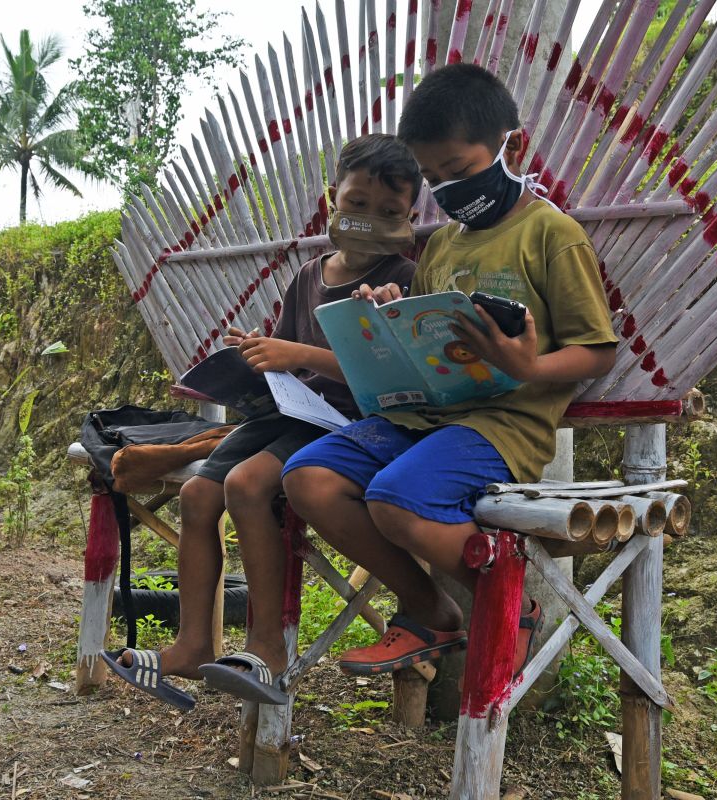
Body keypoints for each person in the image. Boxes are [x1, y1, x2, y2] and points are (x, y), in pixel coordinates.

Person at [200, 63, 618, 704]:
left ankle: (506, 602)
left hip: (503, 426)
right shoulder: (444, 245)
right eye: (437, 178)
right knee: (308, 478)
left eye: (458, 168)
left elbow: (597, 351)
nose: (449, 188)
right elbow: (420, 337)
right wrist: (391, 310)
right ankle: (429, 610)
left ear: (506, 139)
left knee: (394, 497)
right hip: (426, 415)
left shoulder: (550, 235)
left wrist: (528, 367)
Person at [102, 134, 421, 709]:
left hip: (347, 425)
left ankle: (267, 649)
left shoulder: (401, 279)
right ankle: (193, 644)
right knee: (199, 495)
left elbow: (387, 382)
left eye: (389, 213)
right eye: (357, 204)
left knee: (246, 485)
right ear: (332, 200)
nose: (369, 221)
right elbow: (289, 356)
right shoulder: (308, 276)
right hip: (290, 411)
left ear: (410, 218)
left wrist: (295, 355)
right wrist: (260, 355)